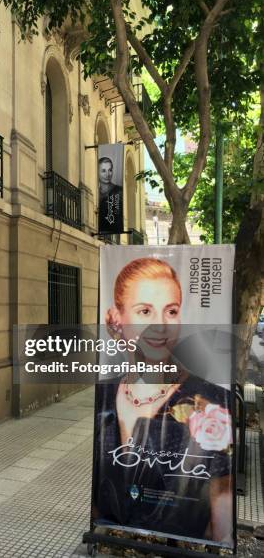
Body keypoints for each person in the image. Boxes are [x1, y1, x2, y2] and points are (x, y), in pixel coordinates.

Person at [93, 258, 233, 546]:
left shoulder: (211, 401)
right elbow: (99, 490)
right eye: (144, 311)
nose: (160, 326)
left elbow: (220, 498)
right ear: (118, 317)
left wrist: (221, 540)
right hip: (118, 546)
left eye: (171, 311)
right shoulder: (105, 394)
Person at [97, 157, 123, 233]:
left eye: (110, 170)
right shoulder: (95, 191)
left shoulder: (119, 191)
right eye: (103, 171)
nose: (107, 174)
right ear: (97, 172)